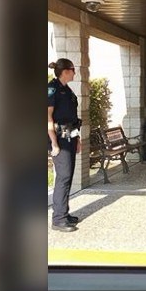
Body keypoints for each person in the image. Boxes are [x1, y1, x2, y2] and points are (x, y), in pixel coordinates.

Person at [48, 58, 82, 232]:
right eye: (73, 70)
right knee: (63, 177)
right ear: (66, 71)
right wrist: (54, 143)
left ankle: (64, 213)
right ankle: (58, 219)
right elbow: (48, 118)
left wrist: (78, 139)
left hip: (70, 136)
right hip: (59, 140)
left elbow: (72, 120)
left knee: (68, 176)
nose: (75, 73)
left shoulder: (66, 89)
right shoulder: (52, 89)